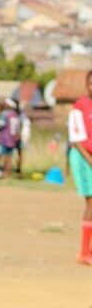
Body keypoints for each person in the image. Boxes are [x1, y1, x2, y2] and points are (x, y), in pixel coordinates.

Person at [67, 70, 92, 265]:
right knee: (91, 202)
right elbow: (77, 140)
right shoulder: (80, 107)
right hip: (84, 157)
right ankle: (84, 252)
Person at [0, 98, 21, 178]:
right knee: (9, 156)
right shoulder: (15, 114)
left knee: (2, 155)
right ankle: (7, 173)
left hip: (5, 138)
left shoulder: (5, 114)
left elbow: (0, 125)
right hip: (12, 139)